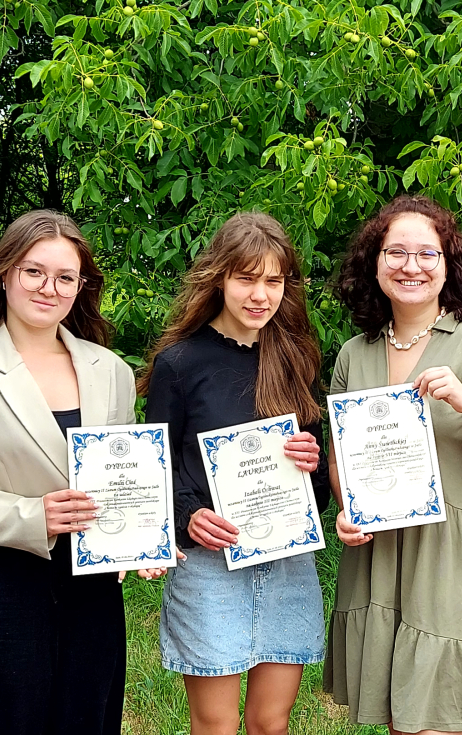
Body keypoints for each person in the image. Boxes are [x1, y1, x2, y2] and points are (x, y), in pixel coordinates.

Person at [0, 210, 156, 735]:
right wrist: (27, 514)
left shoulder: (109, 370)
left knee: (89, 716)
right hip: (1, 578)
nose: (49, 288)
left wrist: (137, 538)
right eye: (34, 271)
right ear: (5, 273)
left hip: (93, 580)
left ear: (80, 287)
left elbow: (122, 469)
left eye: (66, 277)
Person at [324, 194, 462, 735]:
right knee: (400, 720)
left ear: (448, 265)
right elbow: (341, 459)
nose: (410, 266)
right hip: (380, 556)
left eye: (427, 253)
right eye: (396, 252)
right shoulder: (354, 353)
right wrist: (348, 509)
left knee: (436, 723)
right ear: (375, 262)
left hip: (455, 557)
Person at [138, 212, 330, 735]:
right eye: (246, 278)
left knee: (271, 723)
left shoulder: (295, 358)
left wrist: (313, 463)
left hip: (287, 562)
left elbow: (316, 493)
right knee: (216, 725)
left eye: (274, 280)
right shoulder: (179, 364)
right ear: (219, 277)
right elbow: (158, 472)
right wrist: (189, 517)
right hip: (208, 568)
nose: (260, 295)